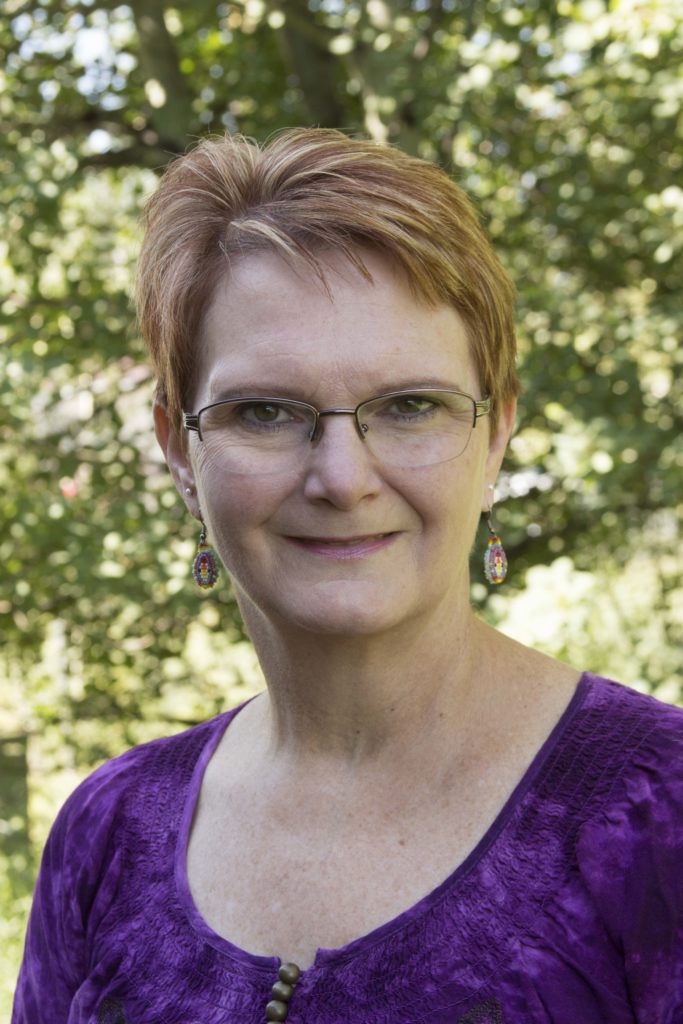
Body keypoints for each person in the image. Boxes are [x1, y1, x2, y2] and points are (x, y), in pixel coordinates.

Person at [13, 129, 683, 1024]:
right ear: (179, 450)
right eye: (265, 411)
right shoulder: (108, 832)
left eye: (409, 406)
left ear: (494, 435)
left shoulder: (655, 812)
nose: (341, 478)